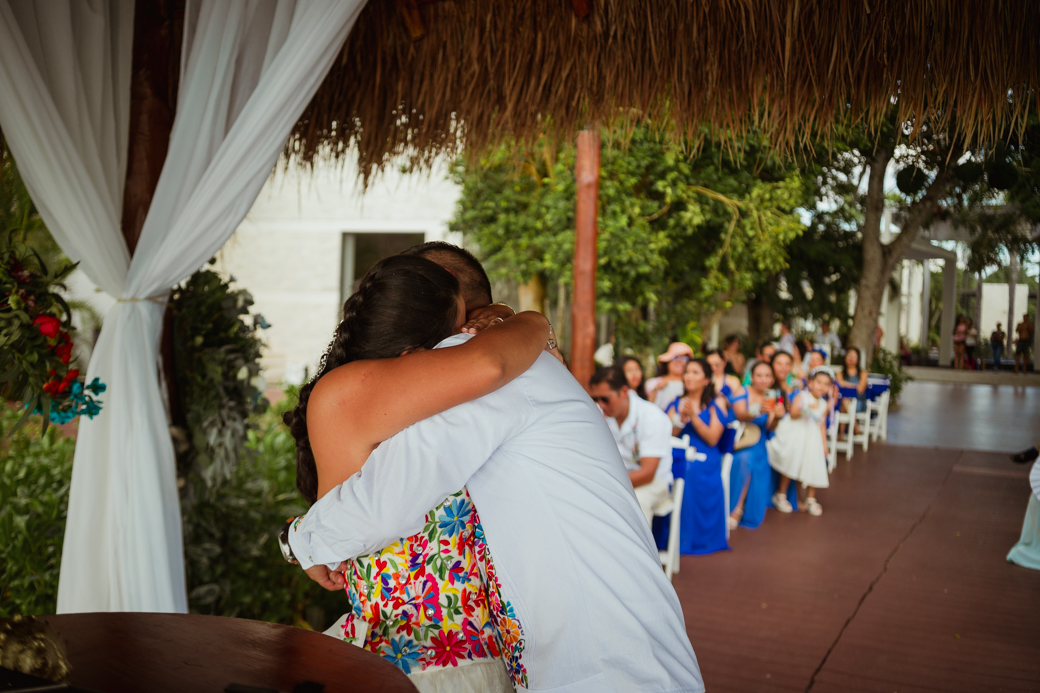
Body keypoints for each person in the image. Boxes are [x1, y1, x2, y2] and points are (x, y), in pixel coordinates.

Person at [287, 261, 705, 691]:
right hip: (577, 655)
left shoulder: (490, 372)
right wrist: (527, 320)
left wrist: (300, 541)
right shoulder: (501, 364)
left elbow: (381, 505)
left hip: (611, 663)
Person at [281, 254, 548, 689]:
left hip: (420, 647)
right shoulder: (363, 396)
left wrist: (299, 540)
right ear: (417, 355)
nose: (468, 338)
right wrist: (534, 323)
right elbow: (490, 363)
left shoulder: (345, 393)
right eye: (458, 333)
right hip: (437, 662)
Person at [590, 366, 674, 525]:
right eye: (595, 399)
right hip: (618, 479)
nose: (600, 405)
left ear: (623, 391)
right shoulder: (602, 414)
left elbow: (648, 473)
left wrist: (607, 485)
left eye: (605, 399)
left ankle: (638, 550)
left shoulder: (652, 417)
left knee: (637, 503)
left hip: (654, 482)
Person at [671, 358, 729, 555]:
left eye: (695, 372)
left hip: (705, 457)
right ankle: (667, 537)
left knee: (689, 472)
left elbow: (713, 439)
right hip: (678, 453)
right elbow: (667, 435)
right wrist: (680, 420)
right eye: (687, 371)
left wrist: (693, 417)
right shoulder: (677, 402)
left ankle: (689, 539)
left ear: (707, 379)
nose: (689, 376)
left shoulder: (716, 402)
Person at [767, 368, 834, 516]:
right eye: (819, 382)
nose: (822, 387)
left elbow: (821, 424)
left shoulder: (824, 404)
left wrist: (824, 444)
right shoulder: (803, 396)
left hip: (813, 438)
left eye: (826, 384)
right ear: (810, 383)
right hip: (797, 435)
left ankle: (811, 498)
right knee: (791, 463)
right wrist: (807, 407)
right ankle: (781, 494)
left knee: (814, 466)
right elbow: (793, 414)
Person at [729, 361, 786, 529]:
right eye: (759, 375)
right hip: (740, 440)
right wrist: (758, 410)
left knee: (753, 458)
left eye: (767, 376)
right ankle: (735, 508)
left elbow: (770, 427)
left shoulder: (775, 396)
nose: (763, 379)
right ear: (752, 377)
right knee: (745, 459)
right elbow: (739, 414)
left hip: (759, 441)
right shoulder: (742, 391)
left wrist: (777, 417)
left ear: (773, 378)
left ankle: (738, 509)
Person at [646, 342, 694, 411]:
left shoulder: (692, 384)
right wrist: (656, 390)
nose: (680, 362)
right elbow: (647, 408)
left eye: (685, 359)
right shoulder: (653, 383)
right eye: (677, 357)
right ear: (668, 360)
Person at [835, 347, 868, 419]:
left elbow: (861, 389)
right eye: (849, 355)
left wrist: (845, 384)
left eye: (854, 357)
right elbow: (839, 384)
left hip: (858, 401)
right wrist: (855, 386)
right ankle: (855, 428)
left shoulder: (863, 373)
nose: (851, 358)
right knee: (844, 399)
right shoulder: (840, 373)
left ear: (858, 359)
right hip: (843, 401)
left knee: (844, 400)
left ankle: (849, 429)